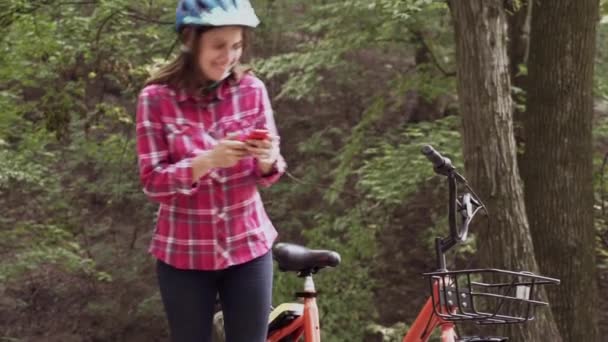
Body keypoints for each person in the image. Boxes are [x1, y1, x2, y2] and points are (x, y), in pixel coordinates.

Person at [135, 1, 286, 341]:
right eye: (219, 46)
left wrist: (267, 158)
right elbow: (152, 183)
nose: (228, 56)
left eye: (236, 46)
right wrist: (205, 162)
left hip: (248, 248)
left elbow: (272, 171)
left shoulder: (252, 90)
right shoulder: (155, 99)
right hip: (183, 255)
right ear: (191, 39)